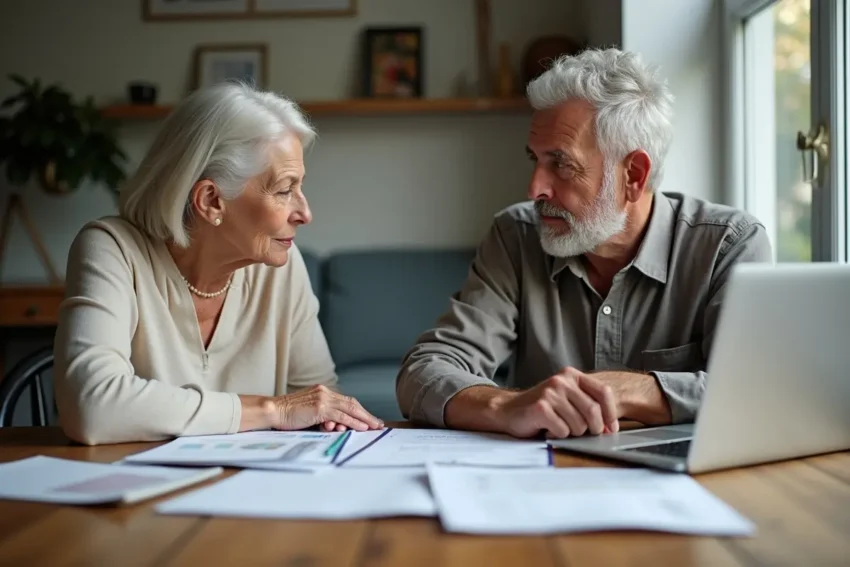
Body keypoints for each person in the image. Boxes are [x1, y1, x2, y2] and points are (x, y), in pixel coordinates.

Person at [396, 48, 772, 439]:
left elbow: (757, 390)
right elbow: (424, 370)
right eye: (535, 160)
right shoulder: (516, 236)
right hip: (546, 478)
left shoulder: (729, 246)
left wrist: (628, 389)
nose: (535, 188)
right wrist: (506, 406)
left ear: (634, 175)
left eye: (561, 164)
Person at [54, 83, 383, 445]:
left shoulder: (281, 268)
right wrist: (272, 411)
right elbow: (91, 408)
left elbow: (320, 403)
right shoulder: (112, 250)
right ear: (211, 200)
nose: (305, 213)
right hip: (135, 493)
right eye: (285, 190)